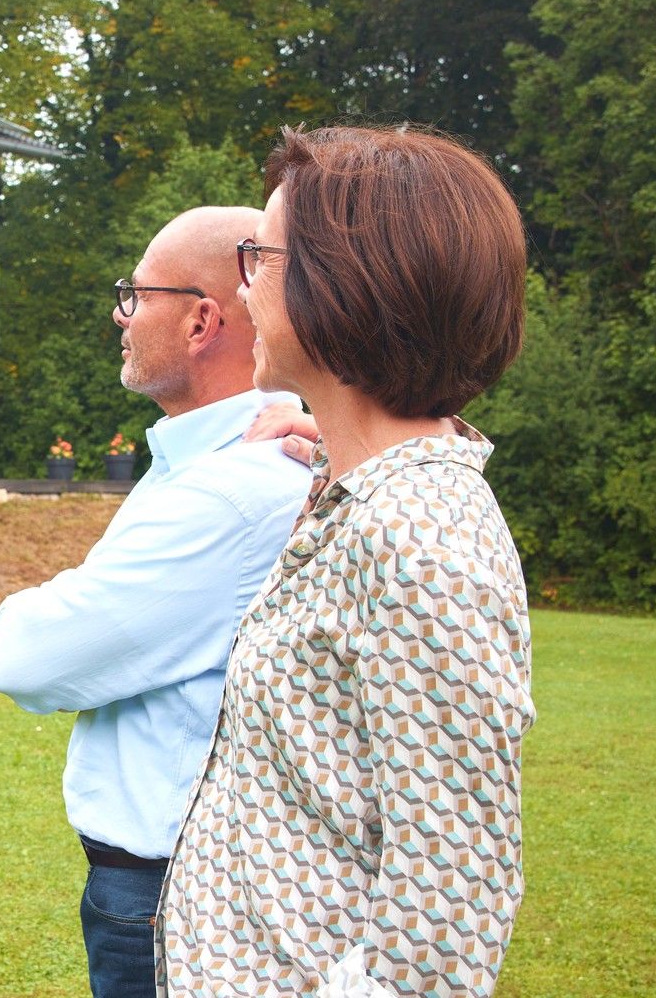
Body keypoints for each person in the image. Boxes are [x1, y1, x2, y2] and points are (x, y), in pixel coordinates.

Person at [157, 125, 535, 997]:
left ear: (346, 285)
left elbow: (442, 932)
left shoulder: (419, 540)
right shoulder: (363, 498)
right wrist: (331, 446)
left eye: (261, 255)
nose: (243, 284)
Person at [0, 206, 316, 998]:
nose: (119, 312)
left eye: (136, 293)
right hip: (158, 881)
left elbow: (28, 658)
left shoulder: (231, 491)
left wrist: (24, 606)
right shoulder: (203, 466)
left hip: (162, 890)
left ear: (202, 319)